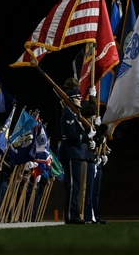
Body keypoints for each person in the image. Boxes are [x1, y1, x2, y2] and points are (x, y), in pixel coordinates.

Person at [58, 77, 97, 224]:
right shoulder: (68, 115)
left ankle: (74, 215)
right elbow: (72, 137)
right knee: (73, 185)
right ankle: (70, 216)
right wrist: (87, 137)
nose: (80, 101)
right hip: (71, 153)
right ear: (72, 99)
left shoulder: (75, 114)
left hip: (77, 154)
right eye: (78, 99)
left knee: (76, 186)